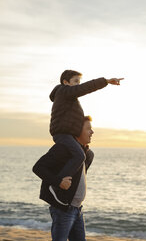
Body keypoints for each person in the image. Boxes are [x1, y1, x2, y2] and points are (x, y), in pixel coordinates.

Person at [33, 116, 95, 241]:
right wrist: (58, 182)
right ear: (77, 131)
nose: (92, 132)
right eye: (89, 129)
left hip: (77, 209)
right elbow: (38, 167)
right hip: (63, 209)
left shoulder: (87, 154)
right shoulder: (62, 149)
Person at [49, 70, 123, 205]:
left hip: (69, 135)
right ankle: (58, 185)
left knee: (88, 155)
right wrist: (105, 81)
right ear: (66, 82)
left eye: (79, 82)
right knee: (79, 156)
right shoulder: (64, 91)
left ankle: (75, 182)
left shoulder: (69, 98)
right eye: (75, 81)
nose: (78, 85)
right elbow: (85, 88)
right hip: (62, 134)